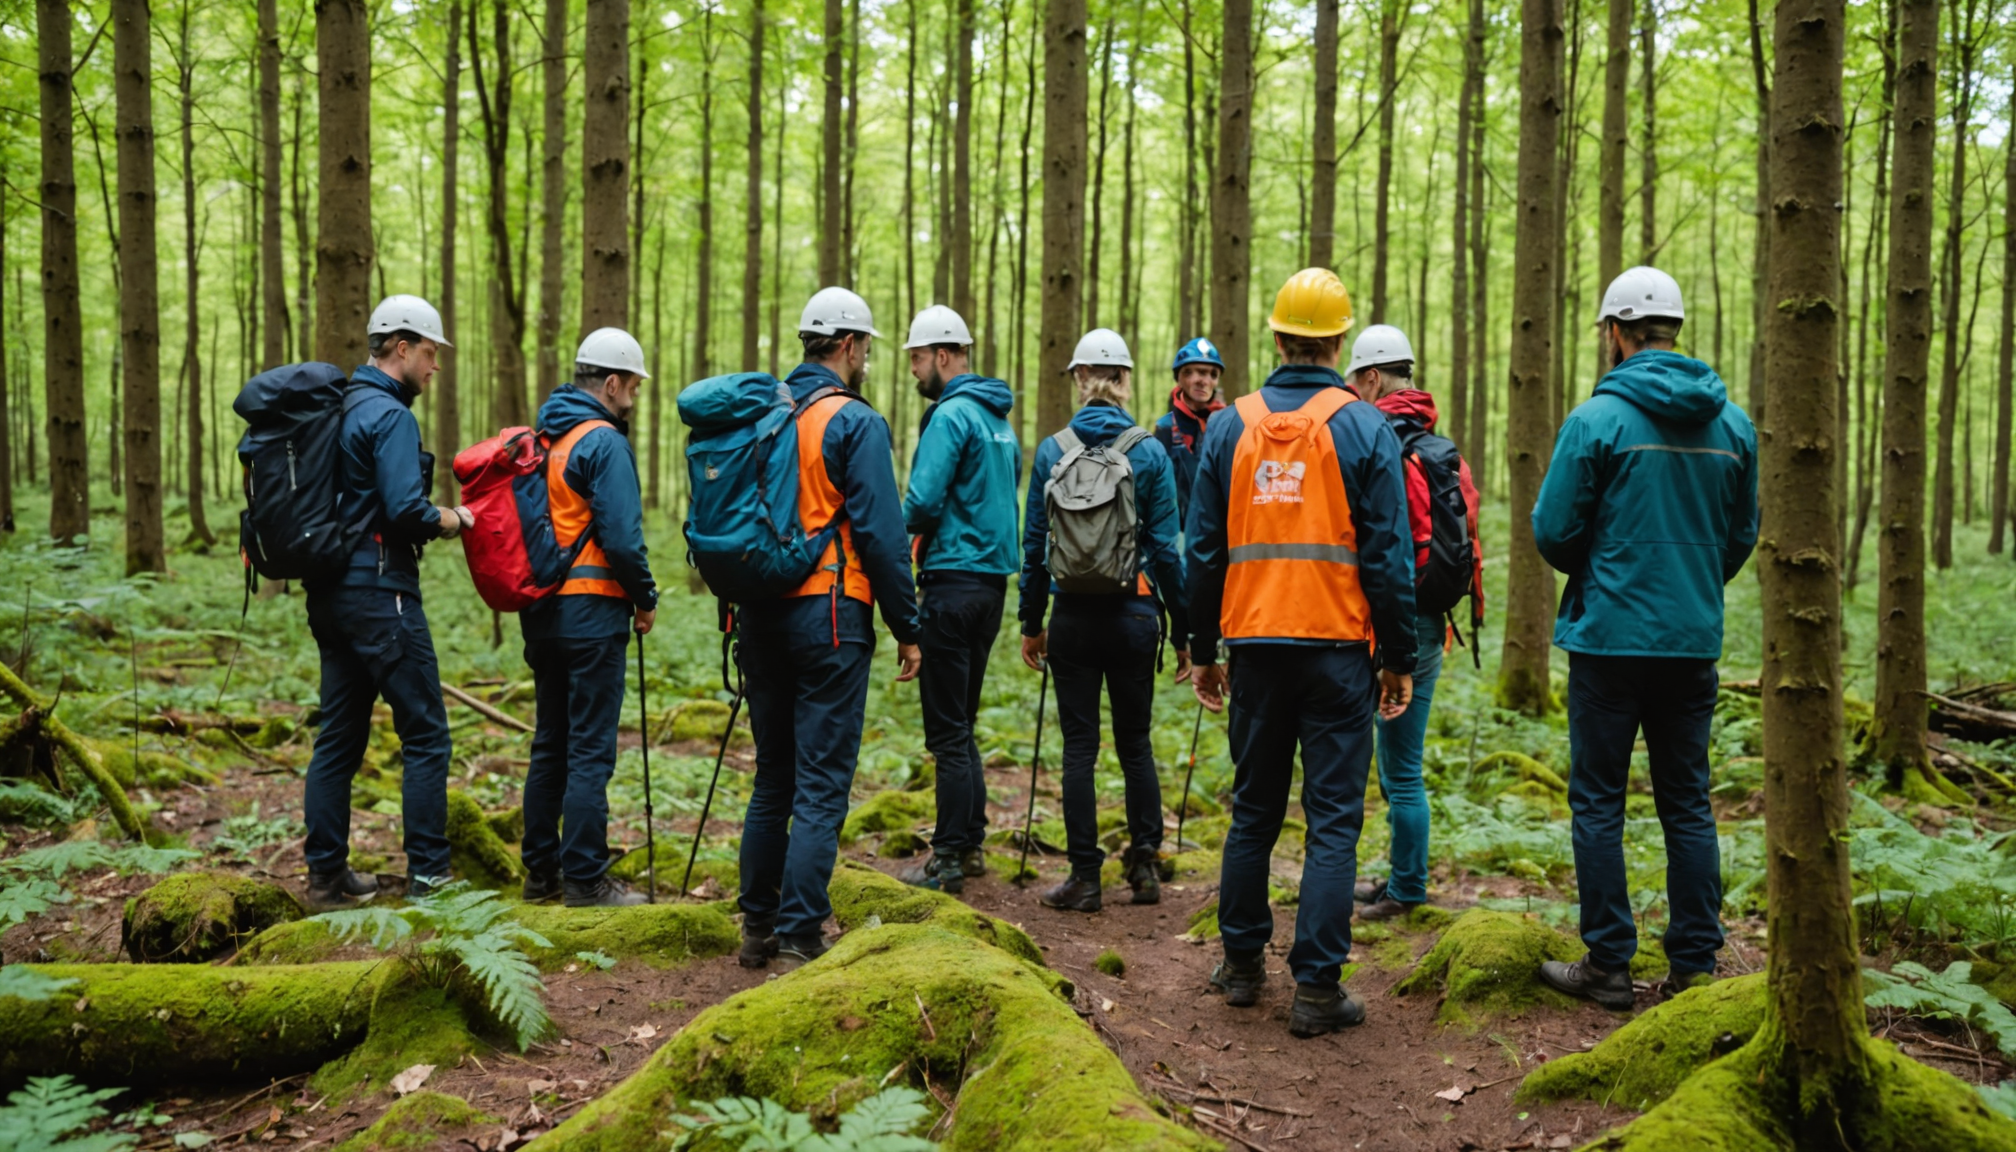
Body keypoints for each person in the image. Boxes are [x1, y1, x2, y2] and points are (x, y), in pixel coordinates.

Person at [1186, 269, 1418, 1037]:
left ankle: (1243, 967)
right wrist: (1398, 656)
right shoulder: (1363, 426)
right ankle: (1317, 989)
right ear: (1339, 342)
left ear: (1278, 336)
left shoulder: (1229, 425)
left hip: (1253, 649)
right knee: (1332, 822)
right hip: (1336, 657)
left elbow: (1202, 551)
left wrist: (1200, 648)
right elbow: (1389, 556)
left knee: (1253, 813)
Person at [1532, 266, 1757, 1009]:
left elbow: (1554, 531)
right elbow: (1739, 536)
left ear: (1619, 332)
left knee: (1598, 800)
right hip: (1690, 642)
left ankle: (1609, 966)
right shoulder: (1733, 425)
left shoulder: (1597, 420)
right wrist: (1689, 589)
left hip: (1607, 643)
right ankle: (1694, 966)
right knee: (1687, 801)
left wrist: (1605, 570)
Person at [738, 287, 923, 970]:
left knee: (772, 777)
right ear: (847, 345)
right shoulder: (853, 422)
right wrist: (908, 626)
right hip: (831, 617)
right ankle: (799, 935)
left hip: (759, 616)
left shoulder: (759, 415)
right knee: (820, 781)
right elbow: (881, 535)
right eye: (867, 347)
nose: (868, 358)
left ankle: (757, 926)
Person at [301, 295, 471, 909]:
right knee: (426, 734)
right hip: (380, 595)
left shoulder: (338, 407)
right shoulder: (391, 417)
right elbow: (405, 510)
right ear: (402, 348)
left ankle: (325, 878)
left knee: (339, 739)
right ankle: (430, 879)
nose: (435, 366)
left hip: (329, 597)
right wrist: (451, 518)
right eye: (430, 352)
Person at [1018, 327, 1189, 914]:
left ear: (1078, 379)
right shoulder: (1149, 451)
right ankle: (1144, 871)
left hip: (1072, 617)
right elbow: (1167, 550)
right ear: (1124, 380)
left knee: (1078, 750)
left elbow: (1035, 546)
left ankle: (1085, 879)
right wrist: (1187, 633)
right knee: (1135, 744)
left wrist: (1030, 621)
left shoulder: (1051, 450)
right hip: (1135, 614)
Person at [1343, 323, 1484, 922]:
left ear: (1372, 379)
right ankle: (1401, 876)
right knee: (1399, 759)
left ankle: (1408, 890)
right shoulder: (1441, 448)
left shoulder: (1378, 447)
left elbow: (1377, 550)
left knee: (1400, 767)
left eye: (1354, 382)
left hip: (1389, 627)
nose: (1350, 393)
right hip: (1432, 621)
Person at [517, 328, 659, 908]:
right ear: (610, 382)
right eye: (631, 387)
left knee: (550, 742)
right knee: (590, 749)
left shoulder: (542, 439)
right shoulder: (602, 441)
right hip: (593, 614)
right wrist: (645, 597)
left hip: (541, 613)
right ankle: (585, 880)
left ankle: (540, 874)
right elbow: (623, 540)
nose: (634, 398)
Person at [895, 306, 1021, 895]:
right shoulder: (1000, 420)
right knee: (963, 723)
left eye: (917, 358)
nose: (915, 371)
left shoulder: (949, 417)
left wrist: (888, 532)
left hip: (949, 582)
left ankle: (946, 858)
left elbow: (921, 502)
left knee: (946, 731)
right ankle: (969, 844)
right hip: (991, 587)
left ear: (943, 355)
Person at [1152, 336, 1226, 528]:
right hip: (1175, 534)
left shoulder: (1226, 427)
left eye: (1213, 375)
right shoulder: (1164, 429)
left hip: (1217, 537)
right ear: (1181, 377)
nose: (1205, 381)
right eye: (1199, 373)